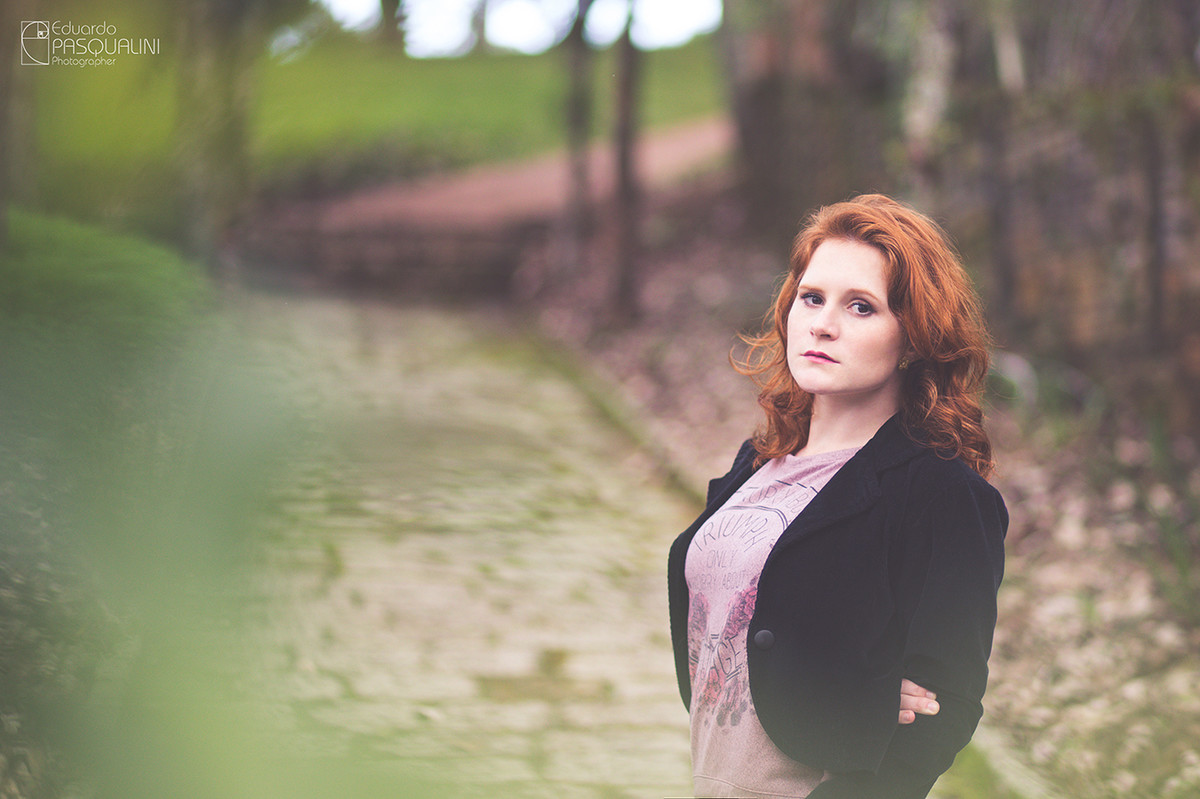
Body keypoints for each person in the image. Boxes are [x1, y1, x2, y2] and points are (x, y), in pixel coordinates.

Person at [667, 194, 1007, 798]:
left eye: (861, 307)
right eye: (812, 297)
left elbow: (946, 704)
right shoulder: (761, 460)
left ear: (913, 339)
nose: (823, 323)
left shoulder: (940, 493)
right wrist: (858, 684)